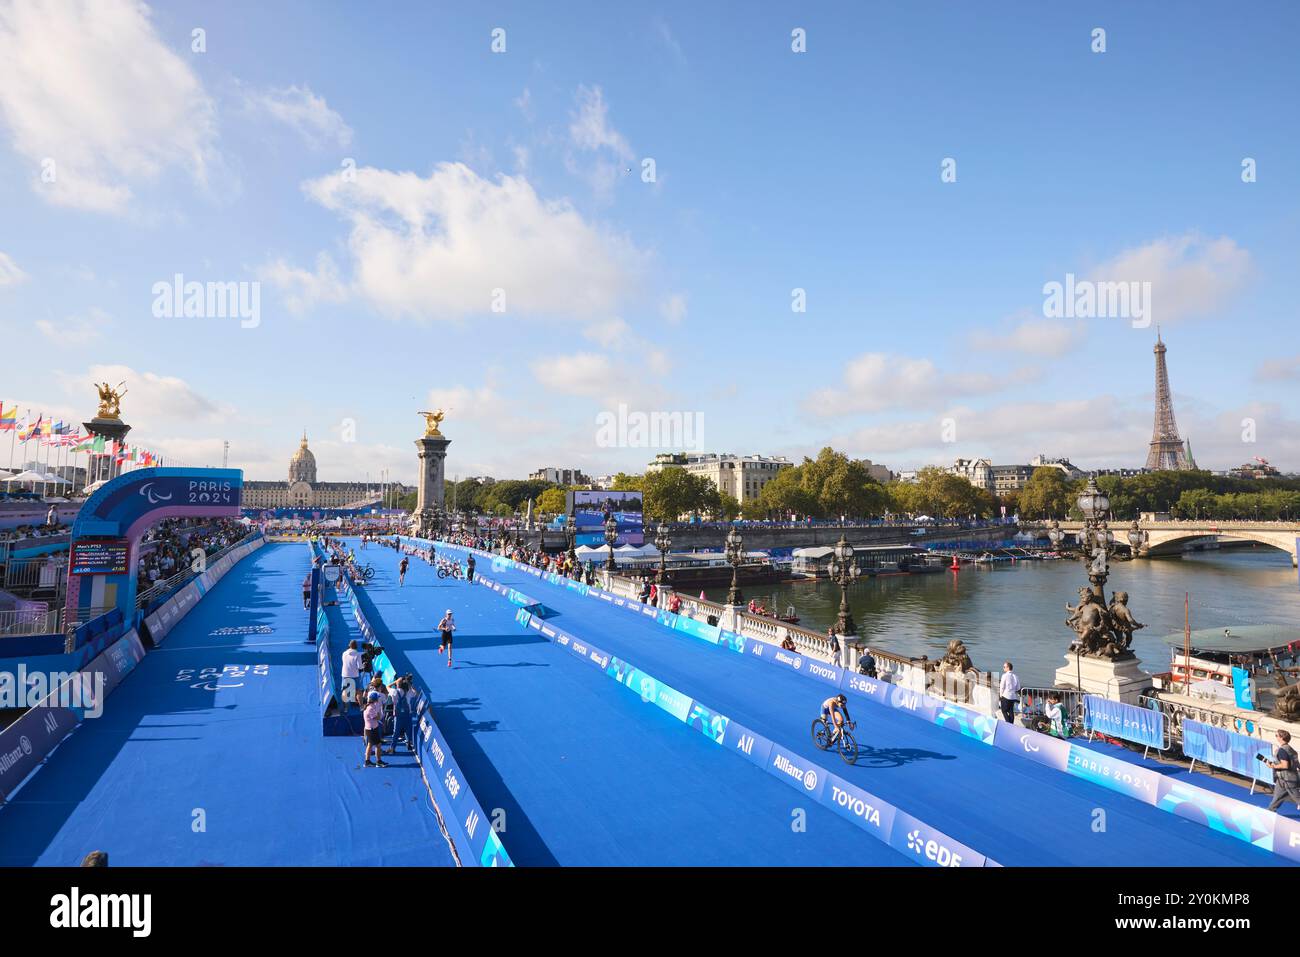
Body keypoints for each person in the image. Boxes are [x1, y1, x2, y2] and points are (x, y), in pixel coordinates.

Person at [1262, 729, 1300, 812]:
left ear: (1281, 738)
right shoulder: (1291, 750)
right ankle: (1270, 810)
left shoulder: (1282, 750)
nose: (1276, 737)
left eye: (1276, 736)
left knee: (1297, 798)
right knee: (1277, 796)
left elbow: (1285, 765)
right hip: (1286, 778)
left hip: (1287, 779)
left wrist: (1272, 766)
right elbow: (1297, 764)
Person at [362, 691, 388, 767]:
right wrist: (379, 712)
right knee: (378, 745)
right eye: (377, 698)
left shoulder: (370, 706)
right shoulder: (370, 708)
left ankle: (368, 761)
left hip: (371, 729)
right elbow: (378, 717)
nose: (378, 699)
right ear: (375, 699)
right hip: (372, 730)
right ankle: (378, 762)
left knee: (370, 745)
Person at [340, 639, 363, 710]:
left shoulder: (344, 653)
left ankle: (345, 708)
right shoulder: (358, 655)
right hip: (354, 675)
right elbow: (360, 667)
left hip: (345, 674)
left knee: (345, 691)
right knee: (358, 691)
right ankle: (361, 706)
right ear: (356, 647)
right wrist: (363, 665)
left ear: (349, 646)